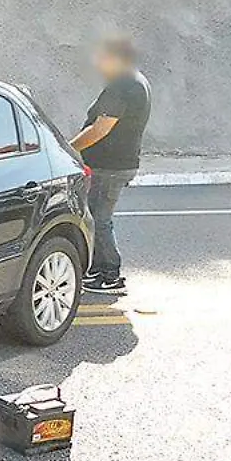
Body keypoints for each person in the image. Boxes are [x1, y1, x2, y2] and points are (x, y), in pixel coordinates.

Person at [69, 35, 151, 295]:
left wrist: (68, 150)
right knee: (98, 216)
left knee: (99, 218)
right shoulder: (136, 80)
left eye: (103, 58)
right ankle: (99, 271)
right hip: (116, 163)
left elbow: (100, 129)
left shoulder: (123, 85)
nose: (99, 63)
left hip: (110, 166)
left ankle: (110, 275)